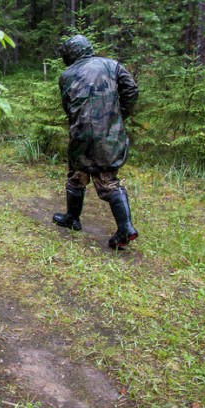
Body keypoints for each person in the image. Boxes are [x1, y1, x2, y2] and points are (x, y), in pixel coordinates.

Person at [52, 35, 139, 249]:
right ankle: (124, 227)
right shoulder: (112, 65)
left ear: (71, 53)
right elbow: (131, 90)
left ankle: (74, 218)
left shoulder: (66, 75)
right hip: (109, 133)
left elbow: (68, 106)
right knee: (107, 180)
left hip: (81, 133)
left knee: (76, 176)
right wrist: (118, 116)